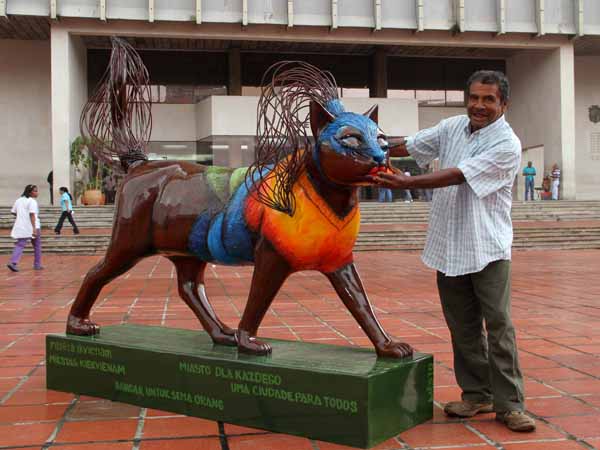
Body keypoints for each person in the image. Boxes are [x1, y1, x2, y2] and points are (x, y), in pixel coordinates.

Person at [371, 70, 535, 432]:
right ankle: (477, 394)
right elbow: (409, 144)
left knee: (499, 326)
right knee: (462, 327)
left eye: (488, 99)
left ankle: (510, 404)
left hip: (487, 247)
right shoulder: (453, 127)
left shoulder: (507, 144)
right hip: (449, 245)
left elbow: (459, 174)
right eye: (474, 97)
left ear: (504, 104)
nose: (479, 105)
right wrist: (367, 139)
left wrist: (406, 182)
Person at [7, 184, 43, 272]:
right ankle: (37, 264)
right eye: (35, 191)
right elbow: (32, 215)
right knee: (37, 245)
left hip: (21, 226)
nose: (37, 193)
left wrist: (21, 216)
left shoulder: (18, 200)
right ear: (30, 192)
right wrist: (34, 229)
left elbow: (13, 212)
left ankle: (13, 262)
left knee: (20, 244)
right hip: (33, 226)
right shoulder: (32, 201)